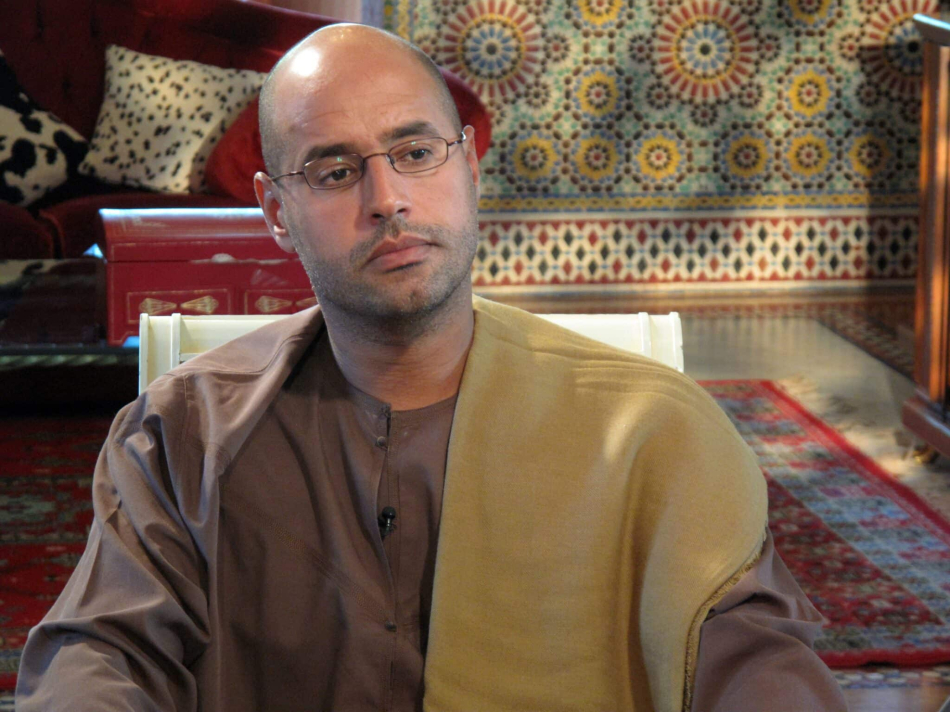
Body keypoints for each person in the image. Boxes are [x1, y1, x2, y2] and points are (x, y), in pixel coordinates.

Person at [15, 24, 848, 712]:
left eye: (415, 153)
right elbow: (102, 652)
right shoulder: (183, 433)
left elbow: (752, 657)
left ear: (469, 169)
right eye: (336, 171)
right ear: (275, 212)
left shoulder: (654, 436)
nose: (387, 199)